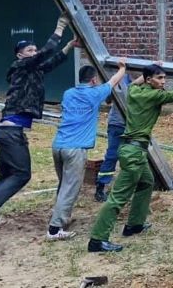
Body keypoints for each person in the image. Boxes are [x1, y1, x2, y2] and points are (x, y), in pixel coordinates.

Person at [0, 15, 75, 230]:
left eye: (34, 50)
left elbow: (50, 62)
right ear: (20, 55)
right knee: (22, 174)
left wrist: (69, 46)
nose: (35, 53)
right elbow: (46, 53)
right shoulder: (20, 66)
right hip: (11, 134)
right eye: (30, 51)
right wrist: (60, 28)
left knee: (7, 175)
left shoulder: (31, 71)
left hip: (6, 132)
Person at [88, 62, 173, 253]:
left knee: (147, 182)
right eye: (159, 78)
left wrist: (151, 69)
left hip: (132, 149)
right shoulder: (154, 96)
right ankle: (97, 239)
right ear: (149, 80)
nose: (163, 81)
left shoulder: (135, 91)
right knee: (118, 198)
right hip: (135, 153)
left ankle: (134, 224)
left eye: (164, 78)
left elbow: (134, 84)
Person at [46, 59, 127, 241]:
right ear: (93, 80)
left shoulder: (68, 93)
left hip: (58, 145)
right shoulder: (95, 93)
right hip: (75, 149)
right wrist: (122, 68)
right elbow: (113, 81)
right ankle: (54, 229)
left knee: (63, 184)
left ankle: (60, 218)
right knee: (70, 188)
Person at [95, 71, 139, 202]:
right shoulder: (120, 79)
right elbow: (108, 100)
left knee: (132, 157)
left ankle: (128, 187)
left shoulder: (148, 81)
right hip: (117, 124)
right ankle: (101, 186)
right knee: (112, 155)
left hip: (134, 126)